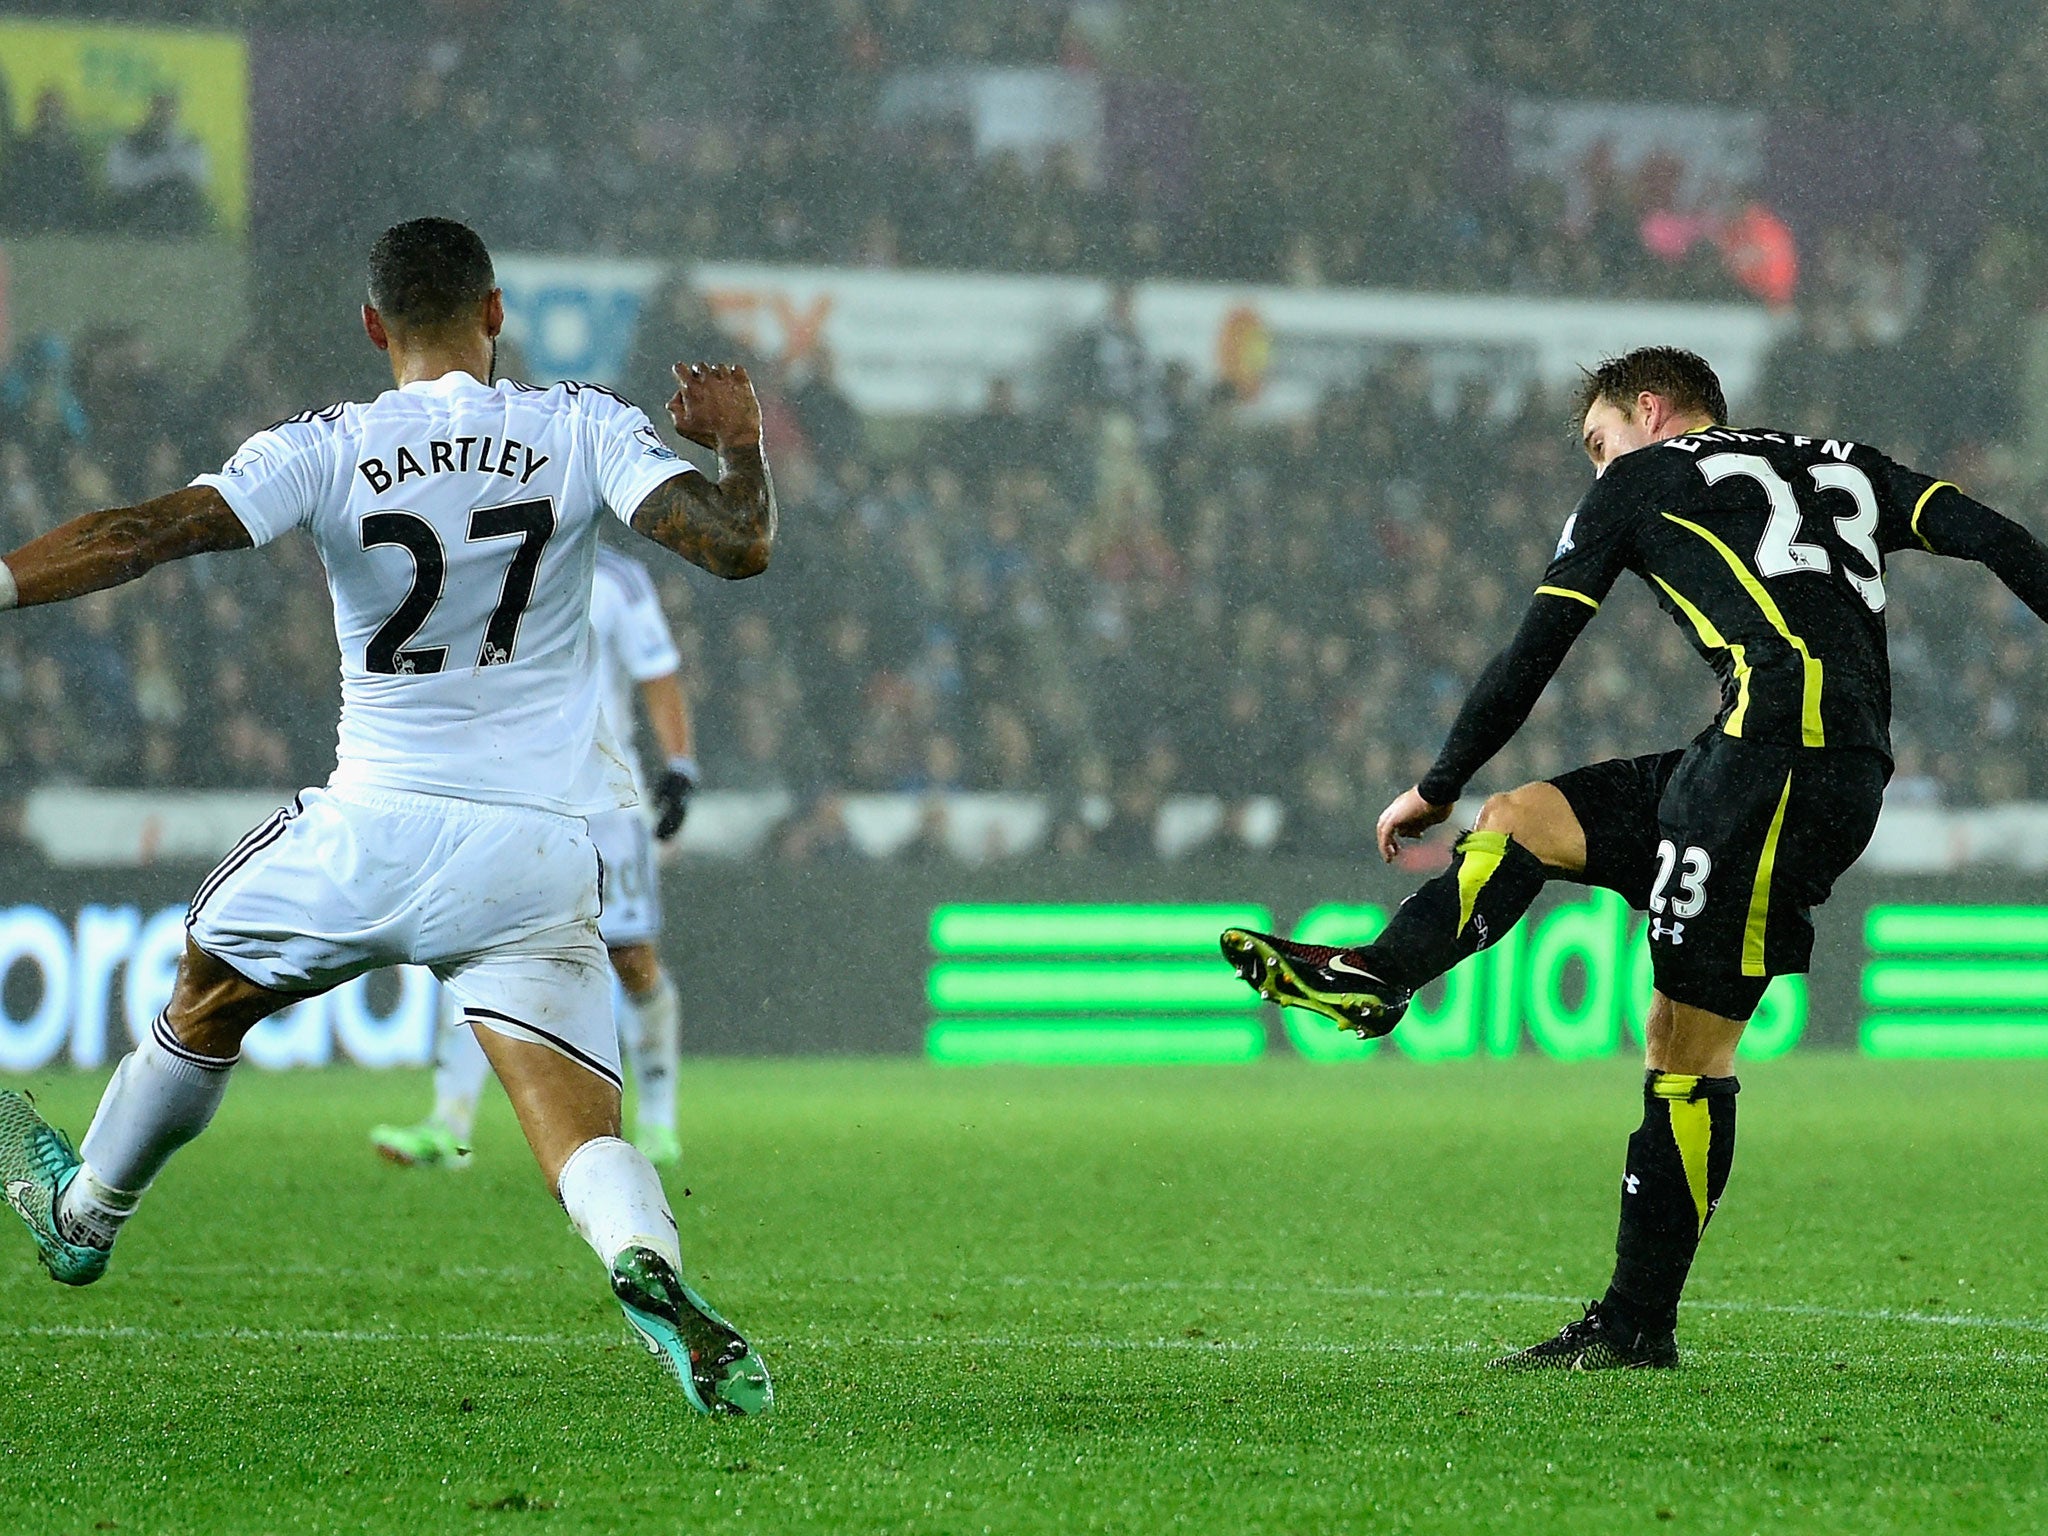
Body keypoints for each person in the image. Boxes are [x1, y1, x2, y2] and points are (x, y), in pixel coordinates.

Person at [0, 218, 779, 1416]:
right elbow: (737, 549)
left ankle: (84, 1215)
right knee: (578, 1130)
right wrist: (739, 445)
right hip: (531, 854)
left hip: (364, 833)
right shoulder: (579, 424)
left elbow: (143, 536)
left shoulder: (327, 446)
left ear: (372, 326)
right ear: (496, 313)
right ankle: (647, 1267)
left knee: (207, 995)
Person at [1222, 345, 2048, 1370]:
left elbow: (1534, 649)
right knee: (1520, 817)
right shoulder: (1840, 460)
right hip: (1776, 759)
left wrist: (1434, 782)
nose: (1594, 464)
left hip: (1774, 767)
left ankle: (1632, 1325)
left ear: (1647, 411)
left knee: (1685, 1048)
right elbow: (1995, 536)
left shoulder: (1640, 479)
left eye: (1595, 440)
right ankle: (1374, 975)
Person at [372, 542, 701, 1168]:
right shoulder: (484, 562)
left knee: (631, 960)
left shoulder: (617, 579)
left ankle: (658, 1121)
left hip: (606, 801)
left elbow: (658, 673)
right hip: (510, 797)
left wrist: (681, 766)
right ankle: (449, 1124)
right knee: (469, 949)